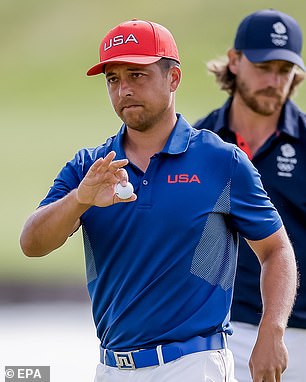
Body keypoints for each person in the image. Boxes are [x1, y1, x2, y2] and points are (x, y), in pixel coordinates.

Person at [20, 18, 297, 382]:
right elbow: (32, 244)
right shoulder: (89, 167)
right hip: (111, 367)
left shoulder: (221, 162)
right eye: (113, 79)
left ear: (173, 78)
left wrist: (271, 330)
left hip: (194, 365)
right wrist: (80, 199)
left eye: (137, 75)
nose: (124, 91)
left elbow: (276, 251)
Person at [194, 9, 306, 382]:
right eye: (263, 66)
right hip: (217, 334)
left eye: (285, 70)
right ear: (235, 62)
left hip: (299, 332)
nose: (275, 81)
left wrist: (273, 331)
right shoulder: (198, 144)